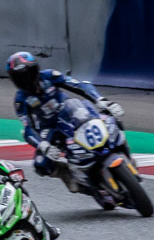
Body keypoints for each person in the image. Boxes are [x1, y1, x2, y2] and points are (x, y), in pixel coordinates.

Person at [7, 52, 121, 188]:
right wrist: (43, 145)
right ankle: (67, 174)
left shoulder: (50, 76)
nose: (25, 80)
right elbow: (28, 129)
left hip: (70, 111)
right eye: (19, 78)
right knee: (41, 164)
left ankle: (123, 149)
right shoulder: (20, 101)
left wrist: (100, 99)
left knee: (110, 117)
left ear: (36, 70)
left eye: (28, 74)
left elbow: (79, 85)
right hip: (50, 128)